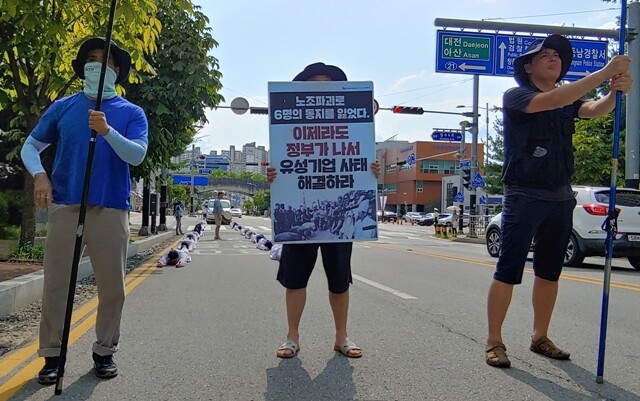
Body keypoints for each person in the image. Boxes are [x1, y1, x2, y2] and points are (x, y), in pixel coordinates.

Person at [484, 34, 632, 368]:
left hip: (561, 196)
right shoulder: (517, 96)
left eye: (558, 56)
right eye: (545, 55)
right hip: (523, 194)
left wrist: (614, 90)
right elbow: (550, 101)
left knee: (550, 272)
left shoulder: (568, 100)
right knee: (508, 269)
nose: (554, 58)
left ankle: (540, 336)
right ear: (528, 66)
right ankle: (494, 340)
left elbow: (594, 109)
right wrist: (604, 72)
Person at [20, 37, 148, 382]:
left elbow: (136, 154)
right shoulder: (63, 107)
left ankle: (104, 350)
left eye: (105, 60)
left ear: (117, 71)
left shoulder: (131, 113)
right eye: (91, 59)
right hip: (66, 205)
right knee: (57, 283)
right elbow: (31, 146)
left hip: (110, 207)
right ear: (83, 68)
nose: (97, 65)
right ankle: (52, 355)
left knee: (113, 288)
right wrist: (40, 177)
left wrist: (106, 130)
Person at [267, 62, 380, 359]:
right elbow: (281, 159)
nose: (320, 86)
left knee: (339, 279)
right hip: (303, 224)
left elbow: (360, 156)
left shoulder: (354, 125)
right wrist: (273, 174)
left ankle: (341, 336)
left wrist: (370, 171)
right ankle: (292, 336)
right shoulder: (287, 125)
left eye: (326, 82)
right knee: (295, 279)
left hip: (337, 228)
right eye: (314, 82)